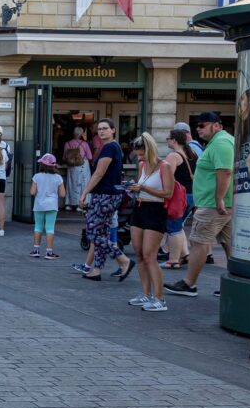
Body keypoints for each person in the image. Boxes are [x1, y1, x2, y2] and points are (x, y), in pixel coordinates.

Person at [168, 111, 232, 298]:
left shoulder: (221, 143)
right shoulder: (219, 142)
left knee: (198, 242)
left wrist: (219, 198)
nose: (198, 129)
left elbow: (225, 172)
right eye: (197, 126)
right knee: (229, 244)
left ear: (216, 125)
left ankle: (189, 284)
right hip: (218, 204)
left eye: (202, 125)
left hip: (213, 205)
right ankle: (233, 283)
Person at [78, 118, 133, 282]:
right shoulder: (113, 147)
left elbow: (99, 173)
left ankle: (124, 260)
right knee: (102, 233)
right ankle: (97, 269)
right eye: (99, 129)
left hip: (105, 195)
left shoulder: (109, 147)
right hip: (110, 195)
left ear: (113, 130)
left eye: (105, 128)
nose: (101, 131)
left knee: (93, 232)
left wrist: (84, 192)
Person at [126, 132, 174, 312]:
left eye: (141, 153)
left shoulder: (165, 166)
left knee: (149, 255)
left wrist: (143, 187)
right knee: (138, 253)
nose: (139, 157)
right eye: (137, 154)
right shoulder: (142, 165)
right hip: (139, 208)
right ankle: (146, 293)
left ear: (150, 150)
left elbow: (168, 193)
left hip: (155, 210)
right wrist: (134, 187)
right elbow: (141, 186)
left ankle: (160, 298)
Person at [161, 129, 196, 269]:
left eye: (168, 138)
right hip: (191, 194)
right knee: (179, 226)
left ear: (174, 140)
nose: (167, 140)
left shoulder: (173, 156)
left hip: (179, 196)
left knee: (173, 227)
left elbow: (168, 177)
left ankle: (173, 260)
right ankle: (185, 254)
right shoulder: (190, 154)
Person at [29, 154, 64, 259]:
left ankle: (36, 250)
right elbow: (62, 194)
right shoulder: (58, 178)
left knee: (38, 227)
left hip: (39, 205)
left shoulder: (37, 176)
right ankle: (49, 252)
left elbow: (32, 192)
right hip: (52, 205)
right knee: (50, 228)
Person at [62, 125, 92, 211]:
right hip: (83, 166)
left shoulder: (67, 144)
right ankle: (81, 204)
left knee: (71, 184)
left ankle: (69, 204)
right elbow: (90, 157)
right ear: (81, 134)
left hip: (72, 167)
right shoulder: (84, 144)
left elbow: (64, 158)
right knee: (83, 184)